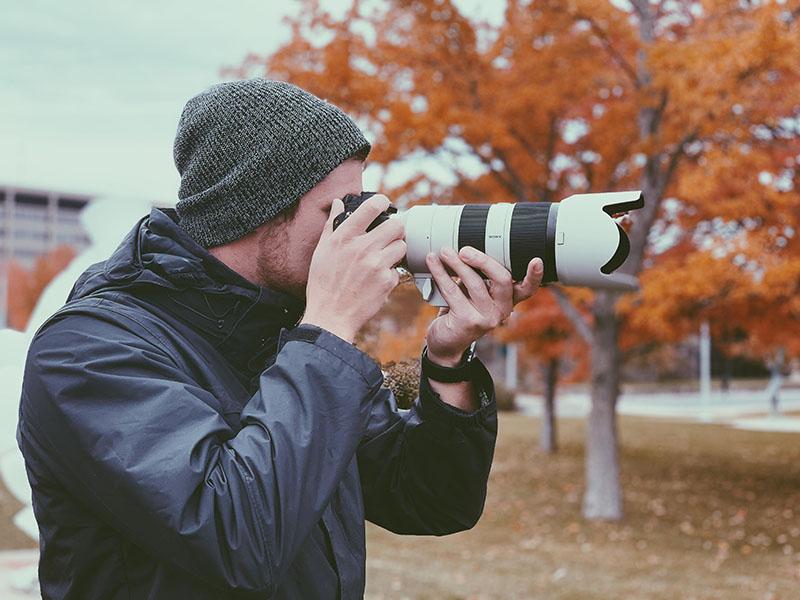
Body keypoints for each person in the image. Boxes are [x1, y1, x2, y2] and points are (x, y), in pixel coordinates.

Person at [17, 79, 543, 599]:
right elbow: (236, 536)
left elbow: (429, 499)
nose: (358, 232)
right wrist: (329, 325)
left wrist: (448, 360)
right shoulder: (88, 351)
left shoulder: (287, 338)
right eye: (337, 211)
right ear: (259, 207)